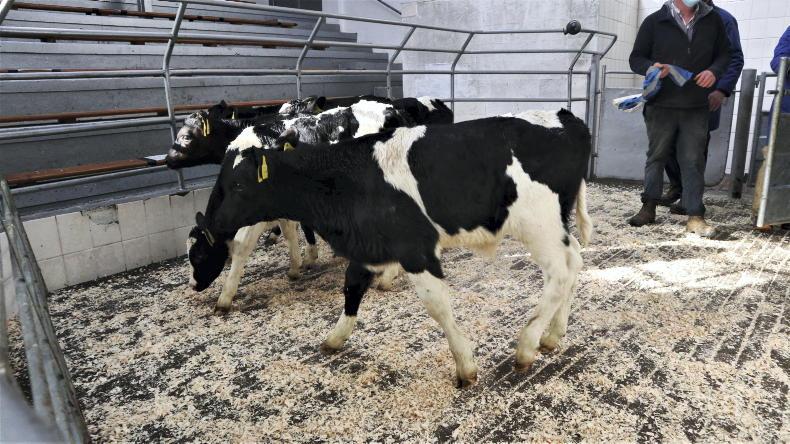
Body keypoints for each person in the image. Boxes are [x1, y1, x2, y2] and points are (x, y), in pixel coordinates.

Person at [628, 0, 730, 237]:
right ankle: (648, 207)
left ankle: (695, 216)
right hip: (661, 105)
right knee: (656, 157)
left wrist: (714, 71)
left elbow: (725, 55)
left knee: (693, 160)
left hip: (696, 106)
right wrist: (651, 67)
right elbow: (636, 58)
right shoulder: (655, 21)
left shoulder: (713, 20)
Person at [659, 0, 744, 215]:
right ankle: (678, 186)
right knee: (666, 143)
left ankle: (690, 197)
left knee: (693, 148)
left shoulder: (724, 20)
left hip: (702, 95)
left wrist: (721, 89)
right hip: (671, 95)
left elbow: (734, 58)